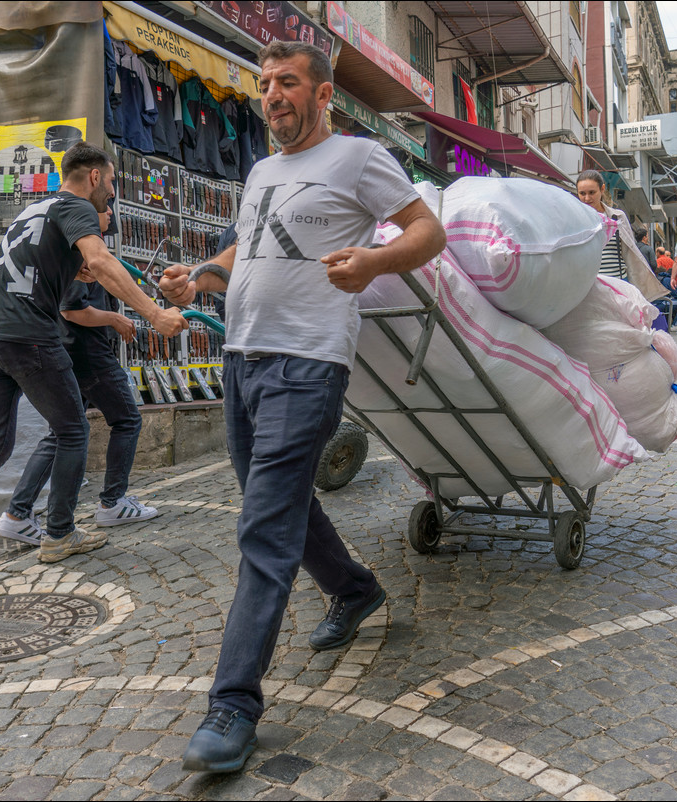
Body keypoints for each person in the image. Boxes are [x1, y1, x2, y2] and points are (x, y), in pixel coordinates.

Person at [159, 40, 446, 774]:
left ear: (322, 96)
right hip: (244, 359)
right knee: (276, 502)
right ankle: (354, 590)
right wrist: (196, 280)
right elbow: (239, 255)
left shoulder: (357, 159)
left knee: (263, 526)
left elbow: (427, 231)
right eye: (264, 85)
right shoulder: (260, 172)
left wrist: (376, 260)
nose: (272, 95)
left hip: (308, 362)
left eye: (288, 83)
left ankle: (232, 706)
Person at [0, 141, 186, 582]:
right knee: (72, 430)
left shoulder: (34, 209)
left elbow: (22, 266)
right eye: (110, 183)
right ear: (93, 176)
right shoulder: (78, 207)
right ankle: (59, 534)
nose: (111, 193)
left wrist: (71, 270)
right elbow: (101, 258)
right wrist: (154, 313)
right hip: (29, 338)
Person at [0, 210, 158, 543]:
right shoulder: (77, 250)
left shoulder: (85, 250)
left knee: (61, 434)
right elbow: (72, 310)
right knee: (127, 419)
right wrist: (115, 318)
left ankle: (17, 513)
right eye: (105, 204)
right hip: (87, 353)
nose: (110, 211)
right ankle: (111, 503)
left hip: (73, 352)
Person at [574, 170, 665, 302]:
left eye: (592, 192)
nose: (587, 198)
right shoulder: (575, 220)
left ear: (602, 189)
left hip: (619, 285)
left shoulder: (617, 217)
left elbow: (629, 252)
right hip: (589, 288)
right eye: (582, 193)